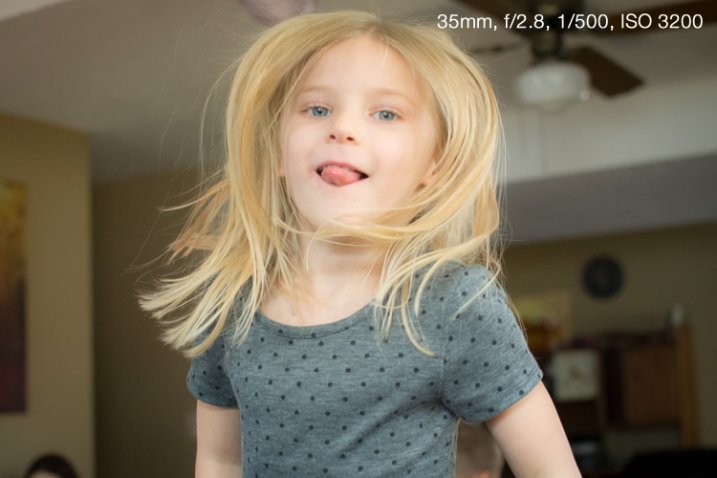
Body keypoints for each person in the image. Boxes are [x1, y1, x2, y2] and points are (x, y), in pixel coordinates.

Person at [140, 10, 580, 477]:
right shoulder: (233, 304)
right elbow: (218, 458)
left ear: (433, 167)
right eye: (317, 108)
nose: (343, 128)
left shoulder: (454, 304)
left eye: (385, 113)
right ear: (277, 151)